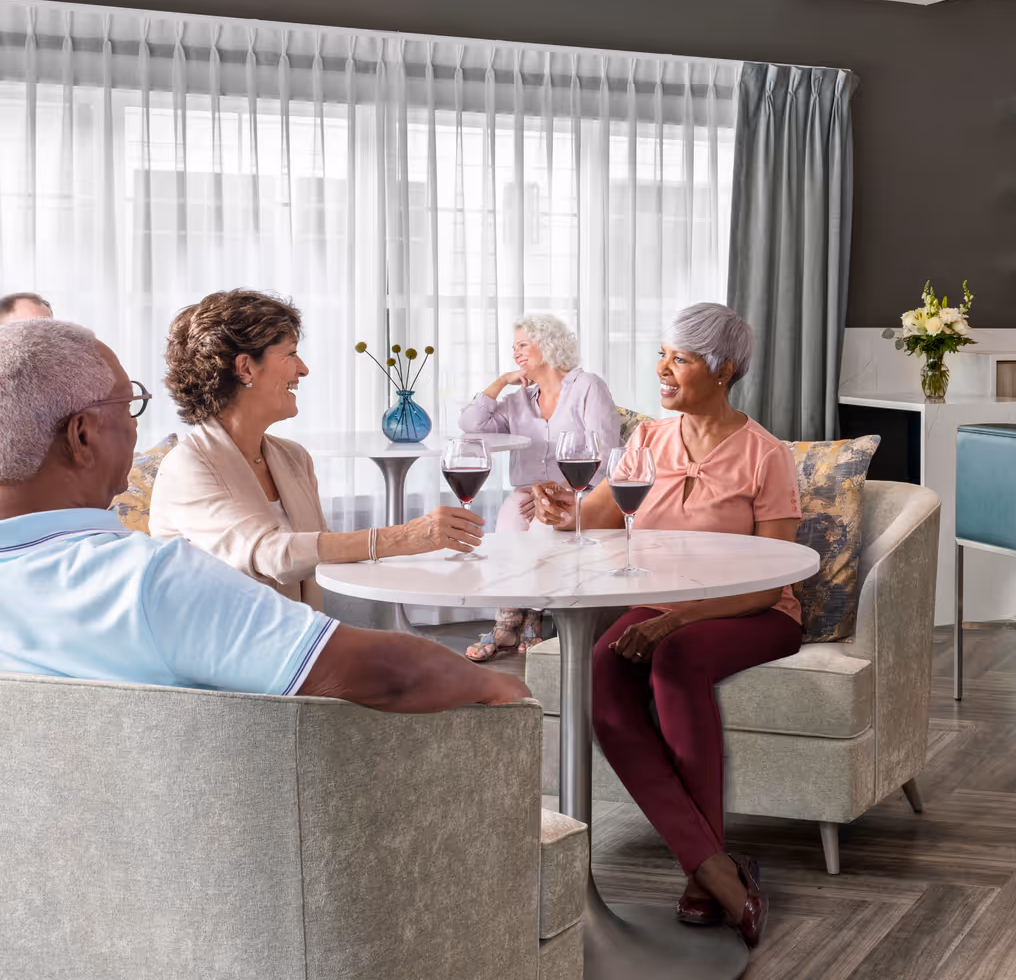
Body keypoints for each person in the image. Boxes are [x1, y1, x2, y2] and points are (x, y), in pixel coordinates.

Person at [0, 318, 527, 710]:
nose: (137, 426)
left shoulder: (290, 458)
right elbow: (390, 674)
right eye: (128, 405)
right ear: (83, 434)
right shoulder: (147, 578)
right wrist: (501, 686)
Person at [533, 303, 802, 948]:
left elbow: (771, 581)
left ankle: (700, 878)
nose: (663, 369)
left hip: (753, 612)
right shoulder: (648, 441)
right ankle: (712, 868)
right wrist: (559, 508)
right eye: (663, 354)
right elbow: (592, 517)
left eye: (679, 358)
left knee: (677, 659)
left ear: (725, 368)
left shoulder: (766, 456)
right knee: (600, 671)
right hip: (658, 610)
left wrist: (677, 618)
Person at [150, 290, 484, 607]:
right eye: (291, 353)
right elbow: (273, 555)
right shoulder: (188, 465)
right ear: (245, 368)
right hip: (217, 658)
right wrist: (405, 538)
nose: (303, 369)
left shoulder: (292, 458)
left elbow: (317, 562)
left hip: (295, 644)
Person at [459, 312, 622, 661]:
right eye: (513, 347)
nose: (516, 353)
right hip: (526, 494)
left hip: (578, 492)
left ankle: (530, 621)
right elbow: (471, 425)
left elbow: (607, 454)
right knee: (506, 523)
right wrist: (502, 380)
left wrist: (556, 492)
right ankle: (510, 619)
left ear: (547, 347)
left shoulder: (587, 386)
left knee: (539, 526)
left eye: (522, 345)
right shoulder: (519, 400)